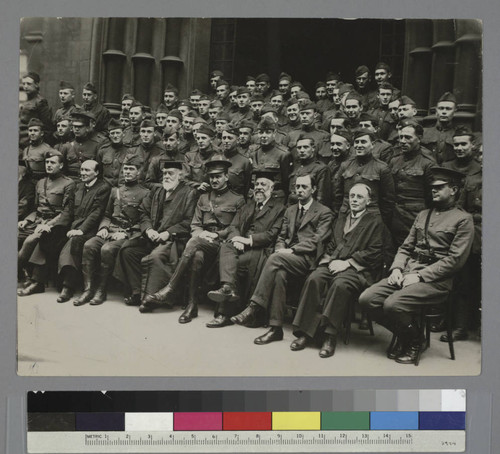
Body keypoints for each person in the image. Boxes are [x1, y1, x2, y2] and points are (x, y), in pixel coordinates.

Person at [359, 167, 474, 364]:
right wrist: (396, 268)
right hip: (407, 273)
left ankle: (412, 342)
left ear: (454, 190)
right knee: (367, 299)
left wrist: (420, 276)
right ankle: (411, 336)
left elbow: (455, 260)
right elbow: (406, 247)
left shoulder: (463, 220)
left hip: (436, 281)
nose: (434, 191)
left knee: (393, 305)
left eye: (440, 187)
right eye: (432, 188)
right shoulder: (423, 215)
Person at [231, 174, 333, 345]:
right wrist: (281, 250)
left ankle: (254, 306)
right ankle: (275, 328)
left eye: (304, 187)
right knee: (279, 275)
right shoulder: (290, 210)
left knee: (275, 260)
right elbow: (281, 236)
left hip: (307, 259)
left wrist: (291, 250)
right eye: (297, 186)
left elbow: (317, 240)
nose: (299, 190)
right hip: (285, 257)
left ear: (313, 189)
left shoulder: (324, 212)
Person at [142, 158, 245, 323]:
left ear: (226, 177)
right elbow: (195, 224)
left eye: (218, 176)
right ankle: (192, 306)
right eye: (211, 177)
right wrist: (200, 233)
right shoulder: (203, 198)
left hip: (223, 242)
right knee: (196, 255)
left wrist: (216, 235)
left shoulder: (237, 199)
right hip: (202, 240)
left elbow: (236, 227)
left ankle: (170, 287)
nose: (214, 180)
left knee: (194, 245)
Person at [291, 183, 383, 357]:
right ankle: (305, 333)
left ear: (368, 201)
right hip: (334, 263)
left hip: (357, 269)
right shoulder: (341, 218)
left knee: (339, 285)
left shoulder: (375, 221)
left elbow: (375, 252)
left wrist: (348, 263)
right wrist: (329, 261)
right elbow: (331, 244)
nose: (354, 200)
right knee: (314, 278)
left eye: (359, 197)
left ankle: (329, 336)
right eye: (352, 196)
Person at [113, 161, 197, 309]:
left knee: (155, 257)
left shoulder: (189, 192)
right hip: (152, 237)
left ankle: (152, 298)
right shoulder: (157, 191)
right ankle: (137, 292)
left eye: (170, 173)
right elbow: (143, 213)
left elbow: (188, 221)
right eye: (164, 173)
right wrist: (148, 230)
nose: (166, 176)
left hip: (174, 240)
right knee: (128, 251)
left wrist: (167, 233)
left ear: (181, 175)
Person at [72, 155, 150, 306]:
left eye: (131, 169)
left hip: (128, 235)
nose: (127, 172)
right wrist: (103, 227)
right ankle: (88, 289)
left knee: (107, 250)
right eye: (125, 169)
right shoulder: (116, 191)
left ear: (139, 172)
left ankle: (102, 290)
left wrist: (125, 233)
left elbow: (144, 219)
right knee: (89, 245)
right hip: (110, 230)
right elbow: (107, 214)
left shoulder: (145, 193)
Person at [440, 126, 482, 341]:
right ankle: (445, 319)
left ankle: (461, 326)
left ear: (472, 146)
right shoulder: (446, 168)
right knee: (445, 274)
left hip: (471, 231)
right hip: (445, 228)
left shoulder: (481, 171)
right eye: (455, 144)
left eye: (463, 144)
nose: (459, 148)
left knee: (465, 278)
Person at [18, 150, 76, 296]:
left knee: (32, 240)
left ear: (61, 165)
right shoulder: (40, 182)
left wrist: (48, 225)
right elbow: (36, 208)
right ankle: (24, 273)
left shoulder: (68, 184)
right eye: (47, 162)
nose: (49, 165)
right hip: (37, 221)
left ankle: (34, 280)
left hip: (55, 224)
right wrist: (27, 220)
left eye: (53, 162)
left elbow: (66, 212)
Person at [56, 160, 111, 303]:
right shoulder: (78, 187)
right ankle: (37, 280)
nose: (83, 173)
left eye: (87, 170)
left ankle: (68, 286)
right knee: (50, 236)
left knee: (73, 241)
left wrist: (81, 230)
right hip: (74, 227)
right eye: (82, 170)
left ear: (97, 172)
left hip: (91, 229)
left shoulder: (103, 188)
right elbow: (69, 210)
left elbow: (96, 213)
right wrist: (57, 226)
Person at [334, 129, 395, 228]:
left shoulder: (382, 168)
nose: (359, 145)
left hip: (370, 219)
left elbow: (387, 201)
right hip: (346, 216)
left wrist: (381, 223)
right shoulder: (345, 165)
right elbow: (338, 195)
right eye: (356, 142)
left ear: (373, 144)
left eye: (363, 142)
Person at [389, 120, 435, 246]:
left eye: (408, 137)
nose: (403, 141)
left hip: (415, 217)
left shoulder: (428, 163)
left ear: (419, 138)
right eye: (401, 137)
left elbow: (431, 196)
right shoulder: (394, 161)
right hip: (394, 217)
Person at [250, 117, 292, 204]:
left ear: (274, 133)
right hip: (257, 197)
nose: (264, 136)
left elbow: (286, 182)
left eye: (268, 132)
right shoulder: (254, 153)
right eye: (261, 133)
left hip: (275, 198)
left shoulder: (283, 154)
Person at [288, 135, 331, 207]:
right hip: (292, 209)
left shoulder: (321, 168)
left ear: (313, 148)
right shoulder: (295, 166)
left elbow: (321, 198)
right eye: (299, 148)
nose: (302, 150)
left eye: (305, 147)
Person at [60, 110, 102, 180]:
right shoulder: (66, 147)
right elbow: (61, 170)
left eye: (80, 127)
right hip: (70, 182)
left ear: (87, 128)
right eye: (74, 126)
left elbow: (99, 170)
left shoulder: (96, 146)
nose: (76, 129)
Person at [422, 92, 459, 164]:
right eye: (441, 108)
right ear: (436, 112)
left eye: (448, 109)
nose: (444, 112)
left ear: (454, 112)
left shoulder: (458, 133)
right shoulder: (424, 132)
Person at [19, 71, 53, 149]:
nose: (25, 86)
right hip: (20, 143)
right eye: (24, 84)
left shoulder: (41, 102)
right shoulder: (25, 102)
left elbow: (46, 127)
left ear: (36, 84)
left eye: (29, 84)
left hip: (31, 144)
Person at [218, 124, 252, 197]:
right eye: (224, 138)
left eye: (230, 138)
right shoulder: (216, 158)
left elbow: (247, 187)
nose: (226, 141)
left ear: (238, 140)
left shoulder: (245, 161)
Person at [96, 118, 129, 187]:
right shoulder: (103, 150)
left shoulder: (129, 150)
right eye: (112, 133)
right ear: (109, 135)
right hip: (106, 188)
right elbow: (98, 173)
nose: (115, 136)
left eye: (118, 133)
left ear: (123, 134)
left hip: (123, 188)